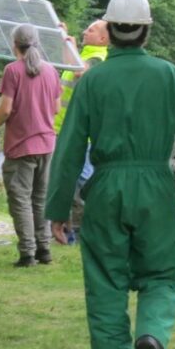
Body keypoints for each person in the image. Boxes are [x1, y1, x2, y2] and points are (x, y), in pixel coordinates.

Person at [45, 0, 175, 349]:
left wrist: (59, 205)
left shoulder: (92, 79)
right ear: (145, 31)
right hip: (156, 186)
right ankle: (152, 335)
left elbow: (68, 148)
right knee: (161, 276)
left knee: (105, 284)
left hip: (105, 188)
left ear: (112, 31)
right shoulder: (169, 75)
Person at [0, 24, 62, 267]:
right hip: (47, 144)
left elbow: (5, 108)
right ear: (36, 43)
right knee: (40, 199)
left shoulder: (12, 71)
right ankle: (44, 249)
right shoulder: (51, 71)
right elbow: (57, 107)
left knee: (20, 199)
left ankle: (27, 253)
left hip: (21, 146)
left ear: (14, 44)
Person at [53, 19, 110, 240]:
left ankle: (81, 233)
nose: (86, 31)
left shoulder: (98, 59)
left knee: (82, 183)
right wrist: (63, 41)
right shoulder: (85, 56)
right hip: (63, 130)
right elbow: (72, 66)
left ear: (103, 39)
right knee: (65, 181)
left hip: (82, 136)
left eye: (92, 30)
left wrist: (70, 45)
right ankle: (65, 230)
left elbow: (80, 73)